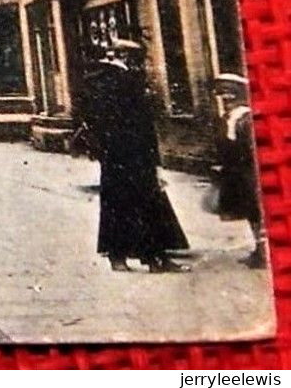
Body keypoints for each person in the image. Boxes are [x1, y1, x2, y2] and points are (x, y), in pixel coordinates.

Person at [80, 37, 189, 273]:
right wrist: (151, 158)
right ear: (127, 58)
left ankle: (120, 257)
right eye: (137, 59)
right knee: (146, 204)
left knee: (118, 204)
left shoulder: (100, 80)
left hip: (115, 156)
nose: (141, 64)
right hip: (133, 153)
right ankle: (154, 258)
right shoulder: (124, 80)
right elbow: (140, 122)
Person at [212, 74, 266, 269]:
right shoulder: (227, 118)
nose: (227, 102)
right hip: (236, 172)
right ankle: (259, 249)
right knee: (251, 211)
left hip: (249, 171)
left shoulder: (246, 118)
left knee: (259, 210)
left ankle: (263, 251)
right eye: (224, 98)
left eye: (231, 97)